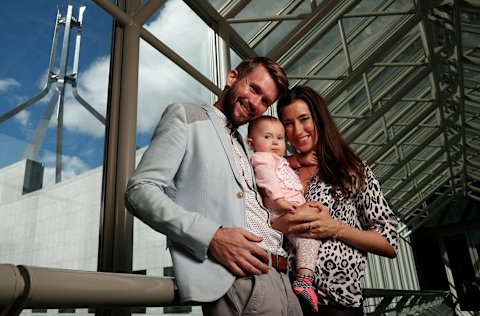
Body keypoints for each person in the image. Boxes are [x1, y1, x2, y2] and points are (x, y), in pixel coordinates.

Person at [125, 57, 303, 315]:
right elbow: (139, 190)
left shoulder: (247, 144)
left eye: (265, 101)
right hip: (240, 281)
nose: (256, 104)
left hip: (283, 279)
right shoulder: (185, 116)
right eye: (254, 89)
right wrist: (212, 236)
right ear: (232, 78)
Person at [271, 85, 399, 316]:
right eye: (288, 123)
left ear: (319, 119)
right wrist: (282, 225)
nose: (297, 130)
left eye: (304, 119)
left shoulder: (352, 170)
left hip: (337, 304)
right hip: (282, 300)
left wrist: (335, 228)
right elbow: (258, 225)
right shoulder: (278, 171)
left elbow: (389, 242)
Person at [247, 115, 320, 313]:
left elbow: (288, 163)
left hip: (289, 208)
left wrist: (300, 159)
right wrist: (279, 199)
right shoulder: (261, 159)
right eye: (268, 137)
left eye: (279, 138)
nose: (275, 142)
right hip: (278, 210)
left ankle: (304, 279)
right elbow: (267, 179)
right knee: (308, 239)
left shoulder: (278, 160)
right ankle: (304, 280)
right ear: (251, 143)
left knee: (308, 240)